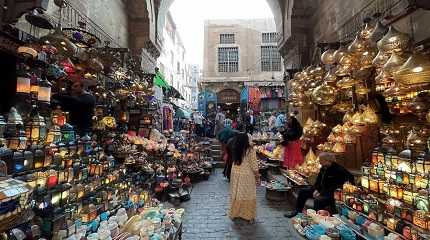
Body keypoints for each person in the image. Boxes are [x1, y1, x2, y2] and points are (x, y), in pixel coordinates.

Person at [285, 152, 354, 218]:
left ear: (327, 160)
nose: (319, 161)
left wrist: (321, 193)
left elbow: (336, 186)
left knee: (318, 200)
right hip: (321, 191)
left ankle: (316, 218)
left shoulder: (338, 170)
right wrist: (316, 189)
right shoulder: (323, 168)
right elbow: (318, 182)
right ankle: (297, 211)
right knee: (303, 192)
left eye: (321, 160)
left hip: (331, 194)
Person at [229, 133, 260, 222]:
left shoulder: (235, 148)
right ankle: (248, 215)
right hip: (247, 175)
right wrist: (257, 177)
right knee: (248, 194)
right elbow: (254, 165)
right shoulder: (250, 150)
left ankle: (235, 213)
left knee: (236, 192)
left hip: (235, 173)